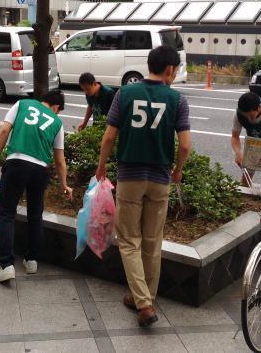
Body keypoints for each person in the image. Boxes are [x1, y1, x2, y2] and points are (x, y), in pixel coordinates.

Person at [95, 45, 192, 327]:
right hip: (160, 179)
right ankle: (144, 297)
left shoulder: (124, 94)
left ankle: (143, 302)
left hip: (130, 176)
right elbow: (185, 145)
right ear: (170, 70)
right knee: (152, 241)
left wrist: (102, 166)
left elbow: (109, 137)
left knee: (128, 240)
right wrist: (177, 171)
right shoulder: (178, 100)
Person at [0, 89, 72, 282]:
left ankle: (7, 264)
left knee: (7, 213)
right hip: (40, 170)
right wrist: (64, 185)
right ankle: (32, 260)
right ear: (56, 107)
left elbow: (3, 130)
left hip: (16, 162)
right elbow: (60, 161)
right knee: (35, 214)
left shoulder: (22, 104)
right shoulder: (57, 122)